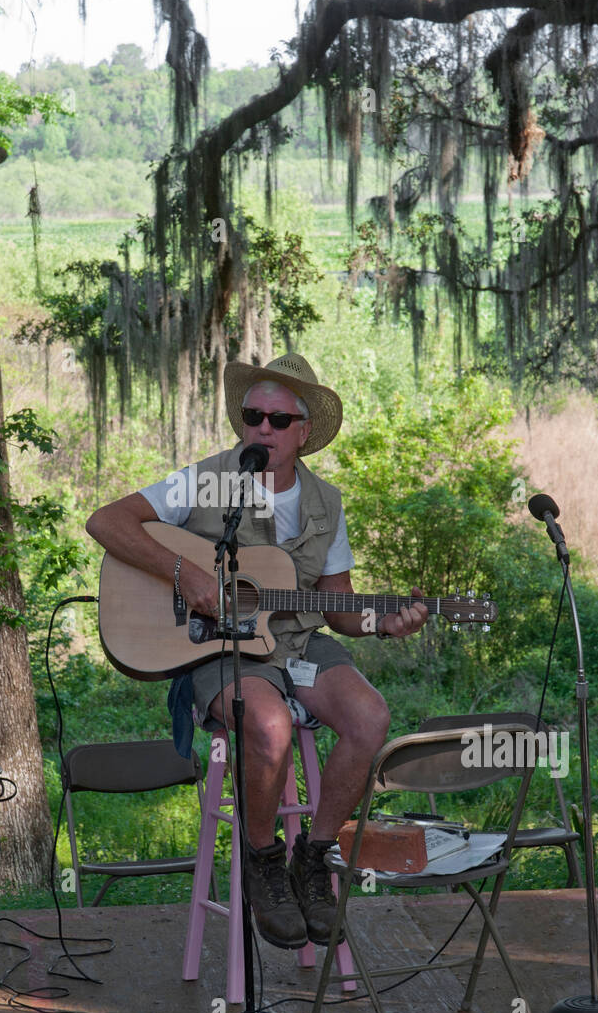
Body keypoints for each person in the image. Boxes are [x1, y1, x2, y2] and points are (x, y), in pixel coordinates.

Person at [85, 354, 428, 950]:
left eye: (277, 419)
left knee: (370, 716)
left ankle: (313, 857)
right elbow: (106, 521)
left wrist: (382, 623)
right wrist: (185, 573)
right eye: (253, 416)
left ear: (303, 432)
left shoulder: (327, 502)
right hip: (218, 652)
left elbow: (338, 607)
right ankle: (263, 860)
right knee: (266, 725)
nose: (262, 429)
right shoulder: (208, 479)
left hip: (296, 643)